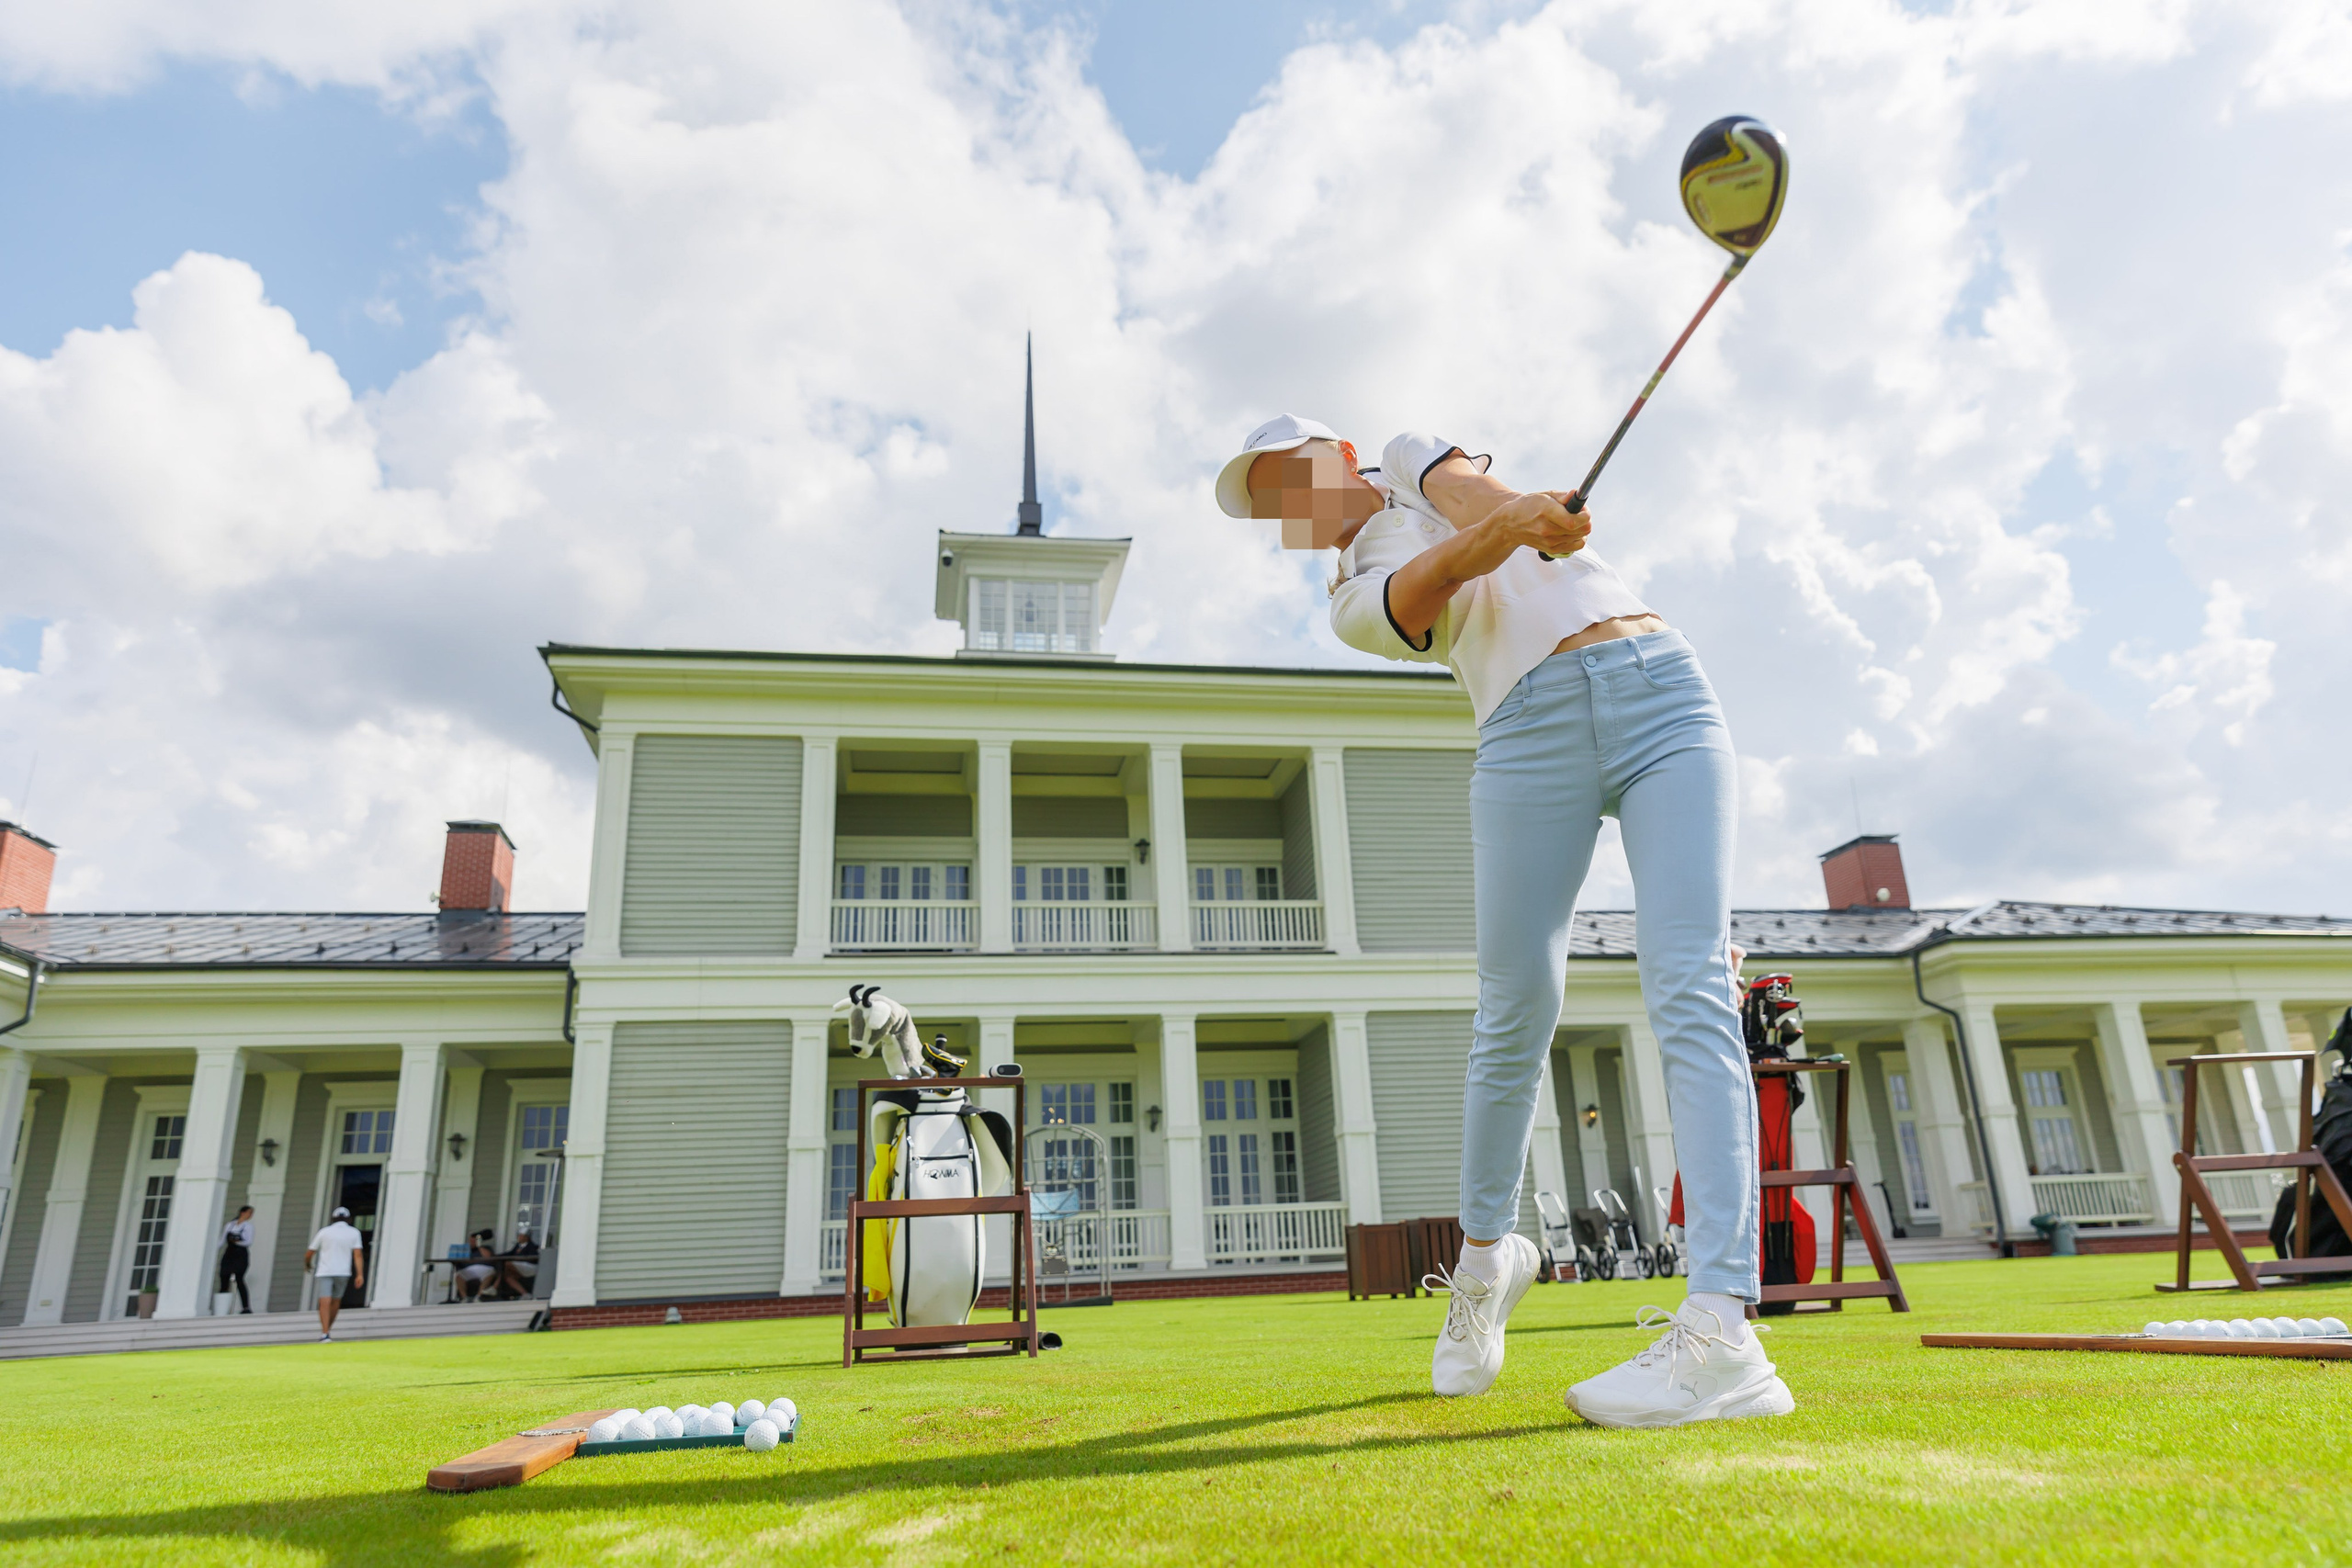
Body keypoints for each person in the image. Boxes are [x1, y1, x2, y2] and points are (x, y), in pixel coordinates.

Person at [1216, 415, 1792, 1428]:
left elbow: (1467, 502)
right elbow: (1437, 574)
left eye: (1287, 478)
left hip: (1661, 687)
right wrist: (1511, 526)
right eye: (1266, 503)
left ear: (1338, 457)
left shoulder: (1406, 451)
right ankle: (1484, 1267)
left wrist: (1521, 515)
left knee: (1691, 984)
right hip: (1526, 734)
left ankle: (1722, 1329)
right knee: (1514, 1010)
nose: (1284, 509)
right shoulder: (1351, 601)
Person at [304, 1206, 365, 1341]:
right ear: (348, 1219)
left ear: (333, 1218)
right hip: (343, 1272)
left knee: (324, 1301)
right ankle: (327, 1330)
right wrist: (360, 1274)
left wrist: (307, 1264)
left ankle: (325, 1332)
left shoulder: (324, 1232)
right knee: (336, 1301)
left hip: (325, 1271)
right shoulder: (354, 1233)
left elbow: (310, 1252)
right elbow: (358, 1255)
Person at [217, 1204, 255, 1314]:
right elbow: (222, 1240)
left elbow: (249, 1241)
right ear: (242, 1213)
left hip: (241, 1253)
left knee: (239, 1279)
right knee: (224, 1277)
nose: (250, 1215)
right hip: (230, 1253)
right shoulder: (230, 1225)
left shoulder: (248, 1226)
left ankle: (246, 1307)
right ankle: (221, 1308)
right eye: (249, 1212)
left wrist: (238, 1241)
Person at [456, 1230, 499, 1302]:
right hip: (470, 1269)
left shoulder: (486, 1248)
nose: (471, 1242)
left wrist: (479, 1246)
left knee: (490, 1273)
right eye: (470, 1240)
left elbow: (488, 1257)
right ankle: (464, 1298)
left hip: (485, 1269)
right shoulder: (466, 1250)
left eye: (473, 1241)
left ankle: (478, 1297)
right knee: (459, 1276)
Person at [499, 1229, 540, 1300]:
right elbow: (510, 1254)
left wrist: (519, 1258)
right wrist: (496, 1256)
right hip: (520, 1267)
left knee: (507, 1264)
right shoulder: (518, 1246)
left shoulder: (532, 1246)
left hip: (530, 1267)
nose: (519, 1237)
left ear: (527, 1237)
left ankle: (495, 1286)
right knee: (508, 1277)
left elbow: (533, 1258)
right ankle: (525, 1294)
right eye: (519, 1235)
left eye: (521, 1236)